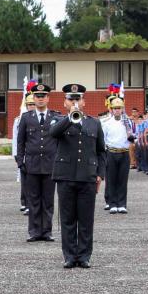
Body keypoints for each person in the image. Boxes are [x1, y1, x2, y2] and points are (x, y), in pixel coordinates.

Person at [50, 84, 106, 269]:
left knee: (86, 219)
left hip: (87, 176)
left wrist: (100, 174)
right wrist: (70, 117)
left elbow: (101, 151)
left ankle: (84, 256)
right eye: (71, 100)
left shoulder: (94, 123)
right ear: (65, 102)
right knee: (67, 219)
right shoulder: (58, 120)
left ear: (84, 102)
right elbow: (53, 133)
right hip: (66, 176)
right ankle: (69, 256)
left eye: (78, 99)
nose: (75, 103)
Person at [15, 83, 58, 242]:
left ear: (48, 98)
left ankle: (46, 231)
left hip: (49, 165)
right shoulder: (26, 118)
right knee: (33, 200)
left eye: (43, 96)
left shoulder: (55, 117)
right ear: (33, 98)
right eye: (37, 97)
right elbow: (20, 141)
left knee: (48, 200)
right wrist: (20, 162)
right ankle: (34, 231)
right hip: (31, 165)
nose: (40, 99)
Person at [100, 96, 134, 213]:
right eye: (115, 108)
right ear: (112, 109)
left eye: (119, 108)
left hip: (124, 153)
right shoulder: (106, 123)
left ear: (122, 109)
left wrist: (132, 137)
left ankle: (122, 203)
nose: (117, 110)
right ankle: (112, 203)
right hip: (111, 153)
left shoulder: (128, 121)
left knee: (122, 180)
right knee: (111, 179)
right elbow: (103, 139)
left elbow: (134, 137)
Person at [12, 93, 36, 214]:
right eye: (29, 104)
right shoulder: (19, 120)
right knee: (25, 181)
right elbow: (16, 138)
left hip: (36, 155)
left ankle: (33, 203)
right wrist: (16, 154)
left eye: (33, 104)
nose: (31, 106)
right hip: (24, 154)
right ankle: (25, 202)